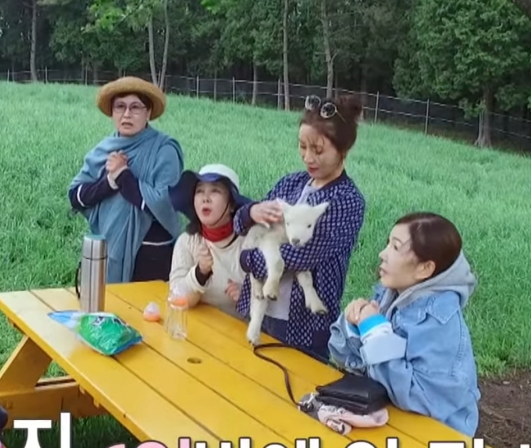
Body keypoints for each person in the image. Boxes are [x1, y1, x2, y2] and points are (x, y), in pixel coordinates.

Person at [327, 212, 481, 448]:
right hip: (393, 428)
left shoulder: (440, 320)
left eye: (396, 247)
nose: (383, 253)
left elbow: (416, 398)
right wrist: (354, 323)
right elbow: (344, 355)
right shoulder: (394, 293)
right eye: (388, 243)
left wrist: (374, 330)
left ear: (426, 269)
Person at [234, 94, 367, 361]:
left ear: (343, 149)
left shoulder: (346, 201)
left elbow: (300, 254)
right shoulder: (290, 184)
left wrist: (247, 258)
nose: (308, 157)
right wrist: (250, 212)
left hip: (302, 322)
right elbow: (241, 225)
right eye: (302, 147)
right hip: (258, 309)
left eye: (318, 150)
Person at [69, 76, 184, 283]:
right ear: (112, 113)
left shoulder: (164, 150)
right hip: (109, 251)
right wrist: (109, 183)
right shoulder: (104, 150)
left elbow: (165, 203)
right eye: (120, 107)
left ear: (148, 112)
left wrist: (124, 176)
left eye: (136, 107)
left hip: (152, 258)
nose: (127, 114)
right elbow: (76, 196)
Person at [167, 164, 254, 317]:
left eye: (215, 191)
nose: (205, 198)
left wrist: (247, 296)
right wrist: (200, 274)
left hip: (238, 337)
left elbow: (273, 300)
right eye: (199, 191)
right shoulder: (187, 242)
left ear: (232, 204)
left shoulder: (250, 243)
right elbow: (176, 298)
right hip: (195, 333)